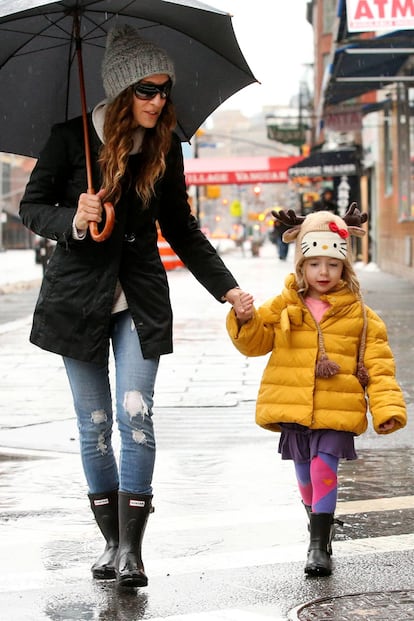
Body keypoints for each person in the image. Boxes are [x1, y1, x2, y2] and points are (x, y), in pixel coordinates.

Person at [19, 24, 248, 589]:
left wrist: (229, 289)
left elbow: (183, 229)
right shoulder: (70, 139)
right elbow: (32, 205)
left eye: (164, 89)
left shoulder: (164, 148)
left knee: (136, 417)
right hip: (76, 300)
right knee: (94, 426)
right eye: (146, 90)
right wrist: (73, 219)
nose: (159, 99)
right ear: (122, 93)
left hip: (140, 300)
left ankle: (133, 552)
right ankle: (111, 541)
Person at [226, 205, 407, 577]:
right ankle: (318, 528)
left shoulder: (361, 315)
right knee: (306, 476)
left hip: (337, 408)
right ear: (301, 266)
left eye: (332, 264)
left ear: (345, 268)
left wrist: (387, 408)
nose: (323, 272)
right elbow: (256, 343)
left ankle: (317, 546)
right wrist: (244, 318)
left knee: (325, 468)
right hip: (294, 405)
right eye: (314, 264)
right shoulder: (285, 305)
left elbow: (379, 366)